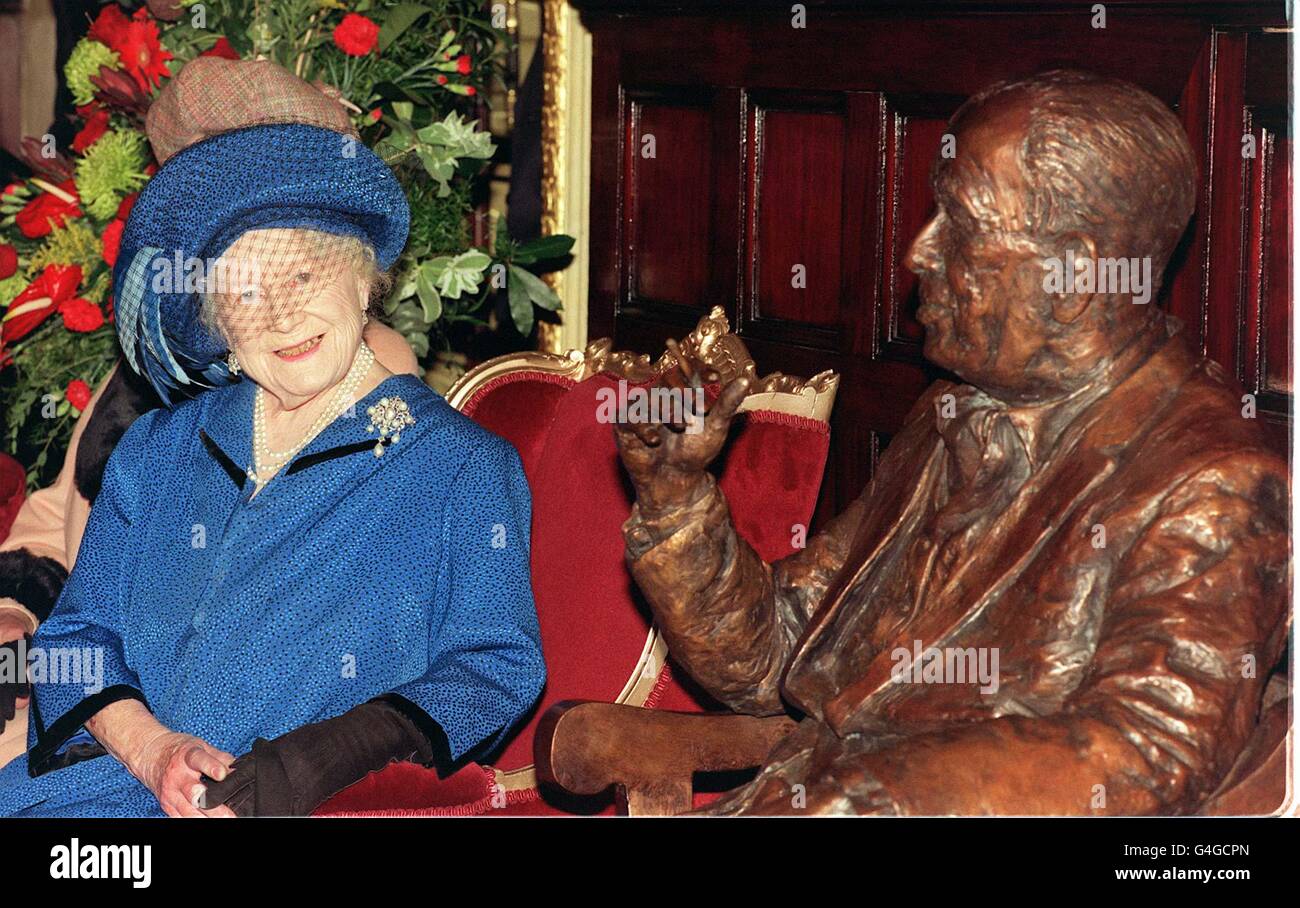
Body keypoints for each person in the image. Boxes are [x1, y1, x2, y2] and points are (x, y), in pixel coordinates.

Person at [613, 70, 1289, 815]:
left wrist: (862, 797)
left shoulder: (1215, 480)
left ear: (1077, 273)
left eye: (960, 224)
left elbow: (1144, 757)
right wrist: (678, 502)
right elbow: (779, 653)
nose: (918, 254)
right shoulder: (948, 418)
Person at [0, 56, 545, 817]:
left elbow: (494, 667)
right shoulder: (158, 449)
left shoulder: (460, 469)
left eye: (303, 277)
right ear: (217, 323)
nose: (281, 317)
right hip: (91, 793)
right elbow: (78, 635)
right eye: (246, 294)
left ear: (364, 281)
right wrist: (154, 751)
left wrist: (333, 752)